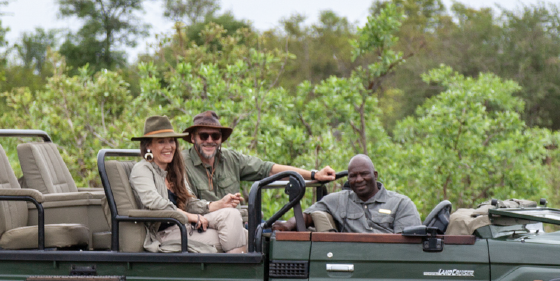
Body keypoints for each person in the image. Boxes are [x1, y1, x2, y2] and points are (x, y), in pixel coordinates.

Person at [182, 110, 337, 219]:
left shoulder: (230, 158)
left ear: (221, 140)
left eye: (215, 135)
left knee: (273, 234)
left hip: (237, 222)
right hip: (203, 225)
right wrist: (217, 205)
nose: (209, 140)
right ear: (193, 138)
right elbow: (186, 205)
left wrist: (313, 175)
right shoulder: (182, 163)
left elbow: (268, 169)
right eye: (203, 135)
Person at [128, 115, 246, 253]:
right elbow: (154, 202)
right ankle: (234, 270)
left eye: (171, 141)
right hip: (164, 233)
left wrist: (218, 204)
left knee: (231, 214)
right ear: (148, 145)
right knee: (244, 239)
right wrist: (189, 217)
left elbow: (189, 202)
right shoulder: (142, 169)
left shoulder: (174, 169)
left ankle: (232, 266)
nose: (168, 147)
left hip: (183, 226)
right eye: (161, 142)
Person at [274, 154, 422, 233]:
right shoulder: (338, 200)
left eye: (364, 174)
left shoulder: (401, 204)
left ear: (375, 175)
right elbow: (307, 216)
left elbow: (408, 244)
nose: (358, 180)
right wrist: (287, 225)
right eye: (353, 176)